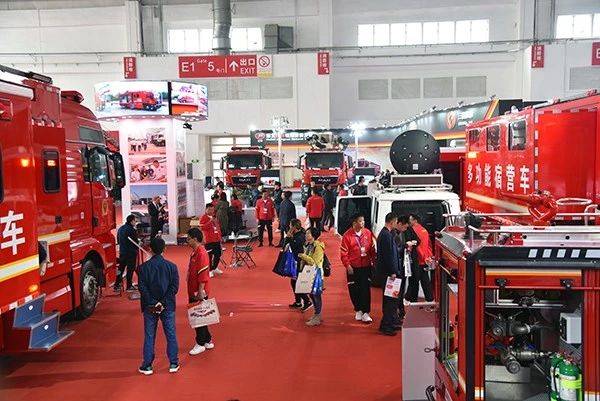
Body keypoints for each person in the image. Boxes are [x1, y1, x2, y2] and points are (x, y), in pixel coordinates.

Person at [137, 237, 179, 375]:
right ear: (164, 249)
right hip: (167, 305)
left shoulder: (143, 268)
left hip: (150, 306)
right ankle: (173, 363)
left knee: (149, 335)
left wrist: (154, 302)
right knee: (170, 334)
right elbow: (174, 288)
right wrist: (163, 302)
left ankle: (147, 365)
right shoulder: (172, 267)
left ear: (150, 249)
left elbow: (142, 288)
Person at [340, 214, 376, 323]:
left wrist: (374, 261)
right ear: (354, 223)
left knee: (365, 289)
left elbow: (372, 249)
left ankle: (366, 312)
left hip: (366, 266)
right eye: (360, 221)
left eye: (363, 221)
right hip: (353, 267)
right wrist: (347, 265)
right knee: (354, 289)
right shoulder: (347, 235)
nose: (363, 223)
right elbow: (343, 253)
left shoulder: (368, 233)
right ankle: (358, 309)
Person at [186, 228, 216, 356]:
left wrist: (199, 292)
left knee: (198, 317)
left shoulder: (201, 253)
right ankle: (208, 340)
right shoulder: (195, 252)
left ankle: (200, 343)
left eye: (188, 239)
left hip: (198, 291)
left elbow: (203, 275)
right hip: (194, 289)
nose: (187, 241)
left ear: (195, 239)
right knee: (202, 315)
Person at [377, 213, 400, 336]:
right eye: (396, 222)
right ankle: (386, 325)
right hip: (389, 274)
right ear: (392, 222)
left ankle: (389, 322)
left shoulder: (385, 234)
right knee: (390, 300)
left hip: (387, 272)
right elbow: (388, 255)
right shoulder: (386, 235)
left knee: (390, 300)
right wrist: (393, 271)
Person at [298, 227, 325, 326]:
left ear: (313, 235)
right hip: (309, 272)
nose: (306, 235)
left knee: (316, 295)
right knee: (312, 294)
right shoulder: (309, 245)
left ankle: (318, 315)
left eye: (308, 233)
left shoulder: (318, 247)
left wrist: (303, 256)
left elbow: (315, 262)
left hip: (316, 274)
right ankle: (317, 314)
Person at [284, 219, 311, 312]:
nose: (289, 227)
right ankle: (298, 301)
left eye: (290, 225)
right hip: (299, 262)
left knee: (296, 283)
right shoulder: (302, 234)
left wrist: (288, 237)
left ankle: (307, 300)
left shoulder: (297, 238)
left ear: (294, 227)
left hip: (298, 263)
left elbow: (286, 246)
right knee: (294, 282)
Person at [405, 214, 434, 302]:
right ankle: (429, 297)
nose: (409, 221)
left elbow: (417, 246)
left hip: (417, 259)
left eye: (410, 219)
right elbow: (429, 245)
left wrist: (421, 256)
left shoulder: (413, 230)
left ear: (415, 220)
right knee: (425, 279)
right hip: (424, 259)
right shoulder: (424, 230)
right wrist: (428, 257)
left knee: (414, 280)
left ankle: (412, 298)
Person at [392, 215, 410, 325]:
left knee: (401, 291)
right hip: (396, 268)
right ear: (399, 224)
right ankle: (394, 316)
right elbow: (395, 251)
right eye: (404, 227)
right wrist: (405, 246)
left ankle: (400, 312)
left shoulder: (401, 234)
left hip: (402, 267)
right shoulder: (393, 234)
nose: (405, 229)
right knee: (395, 294)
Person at [114, 214, 139, 292]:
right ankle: (129, 285)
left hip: (122, 252)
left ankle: (116, 284)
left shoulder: (121, 228)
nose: (135, 222)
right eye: (135, 220)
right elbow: (135, 242)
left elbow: (118, 240)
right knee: (130, 269)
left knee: (120, 269)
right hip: (131, 253)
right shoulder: (132, 230)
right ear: (131, 221)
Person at [199, 204, 223, 277]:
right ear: (206, 209)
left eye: (212, 209)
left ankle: (214, 267)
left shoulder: (214, 217)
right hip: (209, 240)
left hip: (216, 239)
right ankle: (209, 270)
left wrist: (220, 237)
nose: (211, 211)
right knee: (209, 256)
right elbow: (203, 227)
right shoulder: (203, 217)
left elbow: (217, 228)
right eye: (209, 209)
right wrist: (210, 221)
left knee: (218, 254)